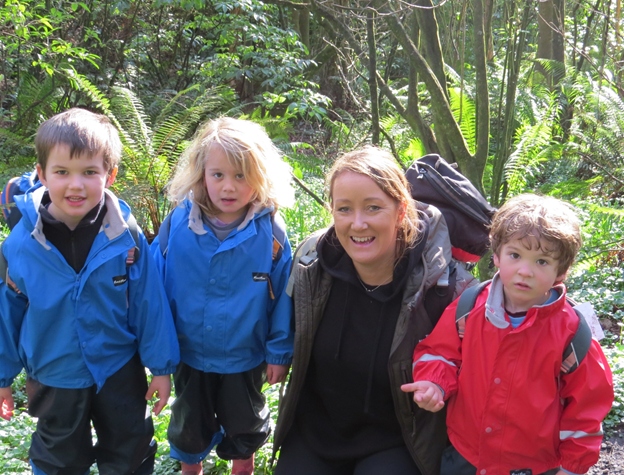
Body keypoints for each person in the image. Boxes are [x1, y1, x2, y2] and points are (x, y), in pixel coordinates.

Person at [273, 146, 475, 475]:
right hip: (315, 432)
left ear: (401, 210)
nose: (358, 223)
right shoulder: (313, 266)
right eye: (344, 209)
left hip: (397, 439)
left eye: (373, 207)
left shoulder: (442, 287)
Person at [0, 107, 180, 475]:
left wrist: (161, 368)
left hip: (118, 368)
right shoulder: (20, 245)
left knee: (130, 450)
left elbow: (149, 304)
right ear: (42, 174)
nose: (75, 185)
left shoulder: (126, 235)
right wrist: (2, 376)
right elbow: (8, 311)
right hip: (54, 371)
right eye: (62, 172)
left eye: (89, 172)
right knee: (58, 459)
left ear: (109, 175)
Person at [402, 193, 614, 475]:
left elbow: (587, 406)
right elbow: (439, 351)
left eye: (542, 261)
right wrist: (434, 383)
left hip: (533, 466)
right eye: (515, 255)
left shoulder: (573, 332)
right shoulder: (469, 307)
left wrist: (572, 466)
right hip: (466, 456)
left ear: (560, 272)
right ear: (497, 256)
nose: (525, 271)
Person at [150, 117, 295, 475]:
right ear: (201, 174)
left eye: (241, 176)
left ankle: (242, 469)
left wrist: (279, 351)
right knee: (189, 428)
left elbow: (284, 297)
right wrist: (159, 356)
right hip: (190, 354)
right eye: (218, 175)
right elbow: (153, 293)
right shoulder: (178, 224)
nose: (228, 187)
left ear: (260, 176)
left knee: (245, 428)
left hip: (244, 356)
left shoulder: (271, 231)